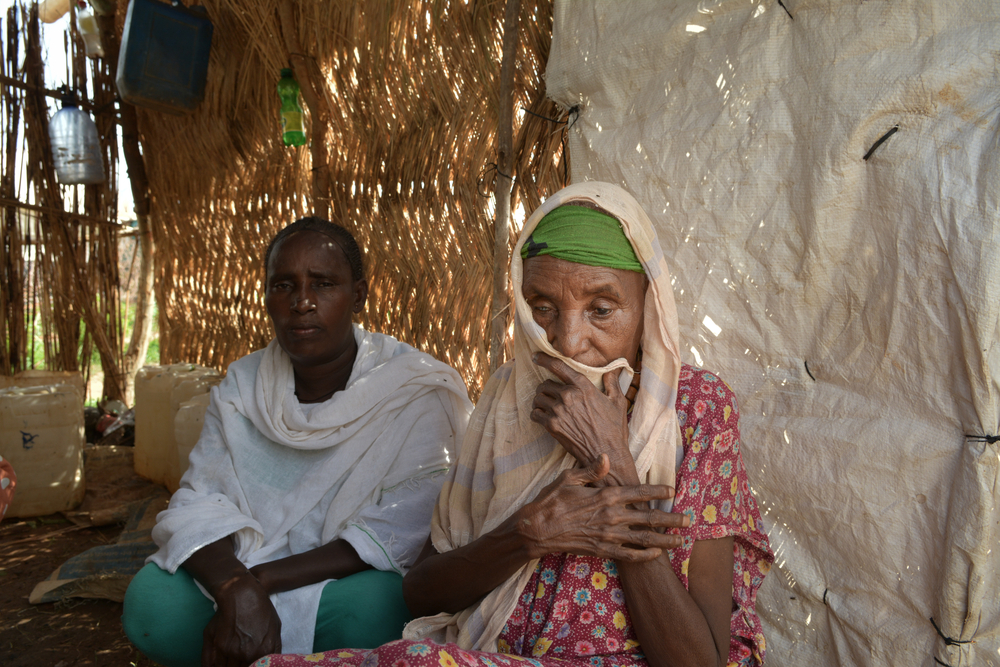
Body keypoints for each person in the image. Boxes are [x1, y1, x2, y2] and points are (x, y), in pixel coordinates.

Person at [254, 182, 773, 667]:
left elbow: (700, 660)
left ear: (649, 307)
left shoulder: (697, 410)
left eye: (602, 308)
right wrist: (530, 531)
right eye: (543, 308)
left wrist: (612, 460)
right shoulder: (511, 394)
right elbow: (424, 591)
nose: (568, 341)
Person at [122, 217, 473, 667]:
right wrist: (232, 583)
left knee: (379, 611)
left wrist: (255, 584)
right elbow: (200, 500)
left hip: (341, 581)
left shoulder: (413, 389)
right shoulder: (243, 386)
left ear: (359, 294)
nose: (302, 303)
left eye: (323, 284)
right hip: (242, 564)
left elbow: (394, 532)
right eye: (283, 286)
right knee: (152, 604)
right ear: (266, 295)